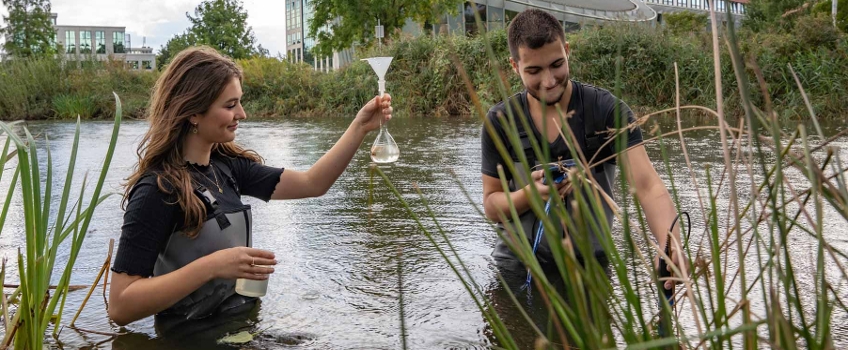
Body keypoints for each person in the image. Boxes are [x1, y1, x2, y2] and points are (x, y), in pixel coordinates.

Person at [108, 47, 393, 335]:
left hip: (242, 330)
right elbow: (120, 306)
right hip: (189, 340)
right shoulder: (156, 190)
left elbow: (312, 183)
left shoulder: (230, 168)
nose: (241, 114)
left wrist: (359, 127)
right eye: (230, 105)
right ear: (193, 111)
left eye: (239, 103)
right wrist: (213, 266)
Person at [480, 9, 687, 344]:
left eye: (556, 65)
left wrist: (671, 244)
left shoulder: (607, 111)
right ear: (514, 67)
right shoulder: (499, 121)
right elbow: (492, 205)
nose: (548, 81)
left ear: (567, 51)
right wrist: (527, 196)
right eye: (533, 70)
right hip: (517, 270)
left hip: (590, 268)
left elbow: (648, 187)